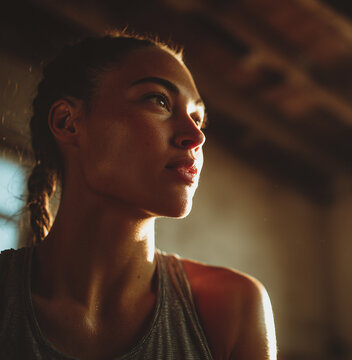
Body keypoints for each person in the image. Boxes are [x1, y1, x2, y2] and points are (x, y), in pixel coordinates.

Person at [0, 33, 277, 359]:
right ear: (68, 122)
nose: (195, 135)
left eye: (198, 117)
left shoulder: (233, 308)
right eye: (159, 100)